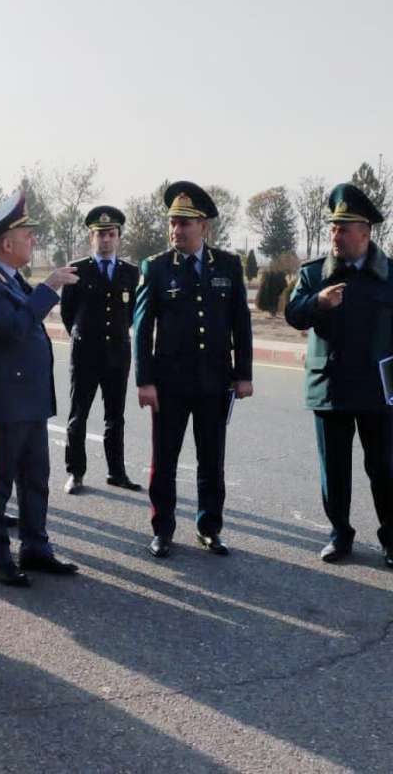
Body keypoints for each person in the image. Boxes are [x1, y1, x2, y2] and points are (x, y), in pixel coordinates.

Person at [285, 183, 393, 569]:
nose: (335, 235)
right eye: (332, 228)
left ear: (366, 233)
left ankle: (392, 538)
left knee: (382, 467)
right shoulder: (314, 274)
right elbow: (293, 314)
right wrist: (319, 302)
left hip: (376, 390)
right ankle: (339, 534)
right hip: (329, 387)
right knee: (335, 469)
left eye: (343, 229)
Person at [0, 190, 81, 587]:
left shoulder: (7, 276)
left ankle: (36, 547)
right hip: (0, 403)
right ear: (6, 242)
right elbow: (13, 329)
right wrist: (48, 289)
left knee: (35, 478)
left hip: (27, 401)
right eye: (28, 235)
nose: (33, 240)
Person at [133, 181, 253, 559]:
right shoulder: (155, 268)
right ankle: (162, 530)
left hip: (213, 382)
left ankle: (209, 527)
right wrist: (145, 381)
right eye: (172, 222)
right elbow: (142, 328)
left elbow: (241, 324)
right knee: (164, 460)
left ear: (204, 226)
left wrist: (243, 374)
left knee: (211, 460)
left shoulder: (229, 267)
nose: (176, 230)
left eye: (185, 223)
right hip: (169, 384)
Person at [60, 205, 142, 494]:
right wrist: (83, 336)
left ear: (118, 236)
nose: (105, 240)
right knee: (78, 415)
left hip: (118, 355)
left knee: (115, 416)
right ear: (91, 237)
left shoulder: (131, 272)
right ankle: (76, 473)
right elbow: (67, 313)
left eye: (110, 234)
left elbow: (133, 312)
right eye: (99, 234)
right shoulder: (77, 270)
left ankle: (116, 472)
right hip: (85, 355)